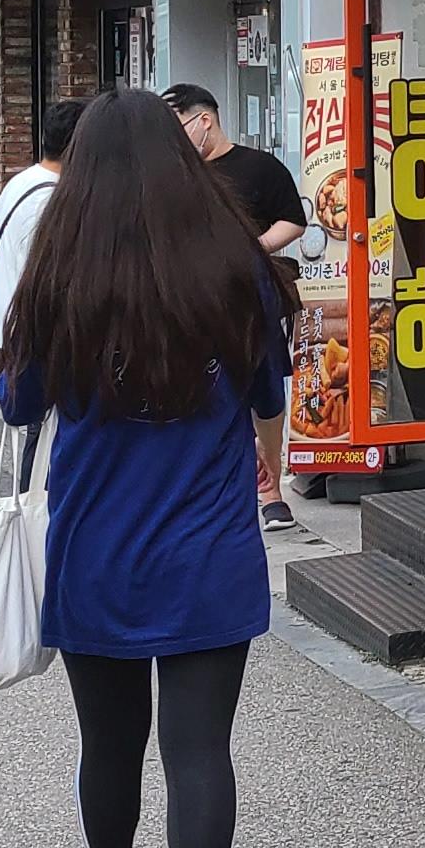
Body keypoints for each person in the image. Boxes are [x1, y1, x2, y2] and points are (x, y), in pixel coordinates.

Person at [0, 88, 287, 848]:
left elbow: (16, 406)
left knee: (109, 741)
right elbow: (268, 394)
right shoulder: (235, 264)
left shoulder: (60, 272)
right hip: (209, 544)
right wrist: (265, 464)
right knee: (200, 748)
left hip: (97, 547)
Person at [166, 84, 309, 533]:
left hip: (252, 301)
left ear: (204, 120)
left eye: (178, 126)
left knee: (266, 395)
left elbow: (294, 220)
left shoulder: (259, 167)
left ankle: (271, 489)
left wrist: (252, 248)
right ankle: (226, 482)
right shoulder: (174, 178)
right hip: (191, 305)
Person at [0, 102, 83, 368]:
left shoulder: (22, 181)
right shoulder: (52, 198)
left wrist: (9, 280)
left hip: (6, 327)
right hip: (36, 336)